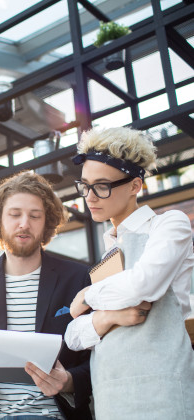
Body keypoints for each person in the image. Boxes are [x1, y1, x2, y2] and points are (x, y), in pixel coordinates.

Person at [64, 127, 194, 420]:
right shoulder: (108, 252)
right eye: (84, 186)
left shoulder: (168, 225)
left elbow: (144, 284)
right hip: (110, 396)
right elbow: (73, 335)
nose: (90, 197)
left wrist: (87, 295)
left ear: (135, 186)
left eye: (101, 186)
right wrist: (107, 316)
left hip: (163, 390)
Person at [0, 172, 93, 420]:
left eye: (35, 216)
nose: (24, 223)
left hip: (52, 415)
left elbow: (98, 360)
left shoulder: (78, 278)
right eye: (15, 215)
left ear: (47, 223)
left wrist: (67, 381)